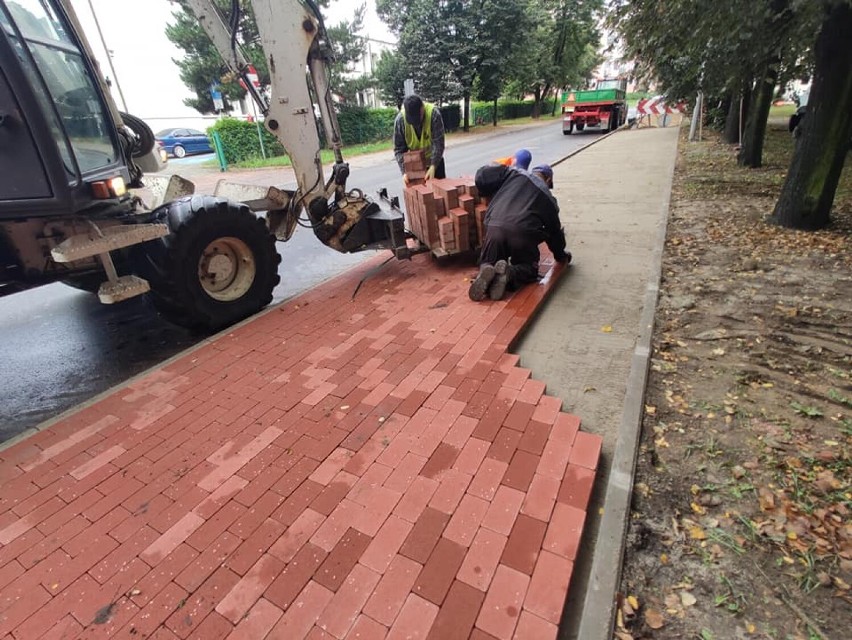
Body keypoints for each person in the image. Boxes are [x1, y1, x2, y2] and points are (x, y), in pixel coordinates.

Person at [468, 163, 571, 302]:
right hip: (521, 233)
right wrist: (561, 255)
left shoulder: (513, 173)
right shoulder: (548, 199)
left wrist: (483, 192)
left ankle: (487, 268)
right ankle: (509, 273)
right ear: (548, 180)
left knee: (488, 259)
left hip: (494, 226)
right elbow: (555, 233)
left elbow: (485, 174)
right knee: (528, 269)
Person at [394, 94, 446, 185]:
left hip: (435, 162)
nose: (415, 125)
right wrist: (404, 171)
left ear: (422, 108)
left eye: (417, 120)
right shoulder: (400, 121)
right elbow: (399, 149)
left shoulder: (433, 114)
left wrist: (433, 166)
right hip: (414, 167)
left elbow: (438, 143)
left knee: (440, 193)